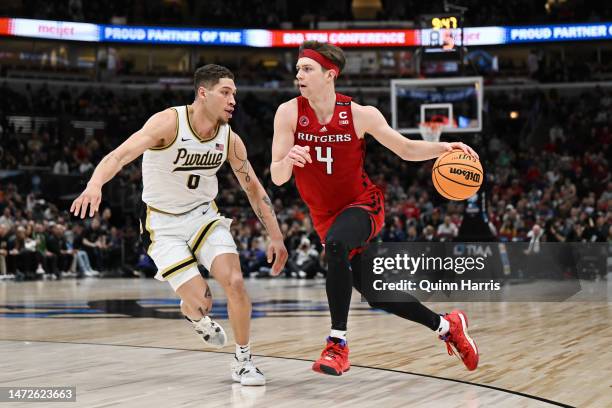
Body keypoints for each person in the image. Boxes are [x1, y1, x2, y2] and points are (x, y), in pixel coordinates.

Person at [271, 41, 480, 376]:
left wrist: (444, 147)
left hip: (362, 206)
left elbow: (406, 148)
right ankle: (447, 326)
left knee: (337, 246)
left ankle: (336, 345)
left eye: (307, 69)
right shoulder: (289, 113)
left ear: (330, 74)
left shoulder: (359, 114)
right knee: (379, 295)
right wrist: (288, 160)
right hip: (325, 218)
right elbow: (277, 176)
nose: (299, 75)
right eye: (298, 69)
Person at [71, 64, 288, 386]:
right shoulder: (168, 122)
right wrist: (94, 184)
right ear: (203, 93)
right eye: (225, 92)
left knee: (235, 282)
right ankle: (193, 313)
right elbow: (119, 156)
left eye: (235, 94)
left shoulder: (230, 138)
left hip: (203, 217)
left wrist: (276, 236)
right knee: (202, 302)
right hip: (162, 223)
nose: (233, 100)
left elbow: (254, 188)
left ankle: (244, 361)